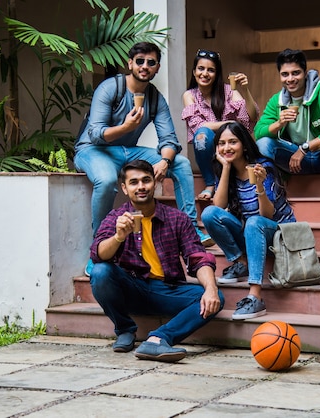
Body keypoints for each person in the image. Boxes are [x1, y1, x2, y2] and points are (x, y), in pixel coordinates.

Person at [75, 42, 213, 277]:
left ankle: (191, 226)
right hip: (93, 150)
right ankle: (98, 247)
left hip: (128, 150)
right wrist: (126, 126)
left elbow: (169, 139)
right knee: (107, 179)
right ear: (130, 64)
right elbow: (95, 133)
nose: (145, 66)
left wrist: (164, 162)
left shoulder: (155, 98)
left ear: (157, 67)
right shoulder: (110, 88)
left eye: (151, 62)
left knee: (180, 163)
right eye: (140, 61)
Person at [89, 160, 224, 362]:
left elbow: (197, 258)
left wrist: (211, 289)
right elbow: (98, 255)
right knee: (100, 272)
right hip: (132, 290)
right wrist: (118, 237)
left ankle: (158, 339)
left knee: (216, 297)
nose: (141, 187)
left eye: (146, 180)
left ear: (155, 183)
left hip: (168, 290)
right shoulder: (117, 217)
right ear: (125, 189)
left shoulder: (177, 219)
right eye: (134, 182)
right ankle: (125, 329)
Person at [200, 122, 295, 320]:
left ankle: (255, 296)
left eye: (233, 142)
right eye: (222, 143)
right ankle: (241, 262)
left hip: (277, 234)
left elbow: (267, 215)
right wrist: (226, 168)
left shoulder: (263, 167)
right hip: (252, 233)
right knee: (209, 213)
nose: (226, 148)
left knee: (254, 222)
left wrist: (259, 185)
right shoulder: (225, 170)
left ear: (244, 144)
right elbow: (218, 207)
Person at [254, 48, 320, 227]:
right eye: (285, 74)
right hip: (293, 161)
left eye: (295, 73)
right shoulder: (278, 101)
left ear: (305, 72)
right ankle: (269, 201)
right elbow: (259, 132)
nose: (290, 79)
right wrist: (278, 124)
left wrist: (305, 148)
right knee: (263, 143)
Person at [181, 49, 259, 201]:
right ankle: (211, 183)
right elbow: (198, 126)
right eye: (201, 68)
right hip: (208, 148)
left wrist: (245, 89)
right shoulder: (189, 95)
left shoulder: (229, 91)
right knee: (202, 136)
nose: (205, 73)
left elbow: (250, 117)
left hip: (232, 146)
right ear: (194, 71)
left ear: (217, 74)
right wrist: (228, 123)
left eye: (211, 70)